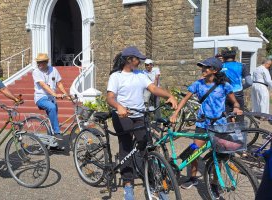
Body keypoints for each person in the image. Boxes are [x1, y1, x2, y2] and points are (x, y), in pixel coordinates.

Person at [107, 46, 177, 200]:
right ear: (128, 60)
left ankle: (153, 182)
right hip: (122, 115)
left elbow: (153, 88)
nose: (140, 62)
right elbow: (110, 97)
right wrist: (119, 106)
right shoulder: (116, 76)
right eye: (137, 59)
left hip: (139, 114)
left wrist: (169, 96)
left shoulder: (140, 74)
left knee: (145, 145)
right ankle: (128, 184)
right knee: (126, 145)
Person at [170, 57, 242, 197]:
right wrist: (175, 113)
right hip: (202, 123)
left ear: (215, 70)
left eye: (206, 68)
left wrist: (236, 108)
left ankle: (215, 183)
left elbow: (235, 102)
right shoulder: (198, 84)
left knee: (219, 155)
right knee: (194, 150)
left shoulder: (224, 85)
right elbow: (184, 100)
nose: (203, 70)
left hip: (219, 124)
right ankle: (192, 178)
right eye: (202, 67)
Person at [32, 53, 70, 151]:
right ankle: (57, 132)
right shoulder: (36, 72)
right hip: (41, 97)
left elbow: (59, 83)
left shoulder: (53, 70)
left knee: (53, 120)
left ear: (46, 62)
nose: (39, 64)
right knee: (52, 108)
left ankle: (53, 145)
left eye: (41, 62)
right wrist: (54, 94)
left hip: (51, 99)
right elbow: (43, 85)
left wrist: (66, 94)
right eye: (38, 62)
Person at [221, 47, 252, 122]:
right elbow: (249, 82)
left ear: (223, 58)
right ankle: (241, 133)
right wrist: (241, 87)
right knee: (239, 117)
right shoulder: (242, 66)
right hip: (238, 94)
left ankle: (227, 133)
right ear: (234, 57)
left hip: (225, 94)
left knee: (226, 117)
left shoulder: (220, 66)